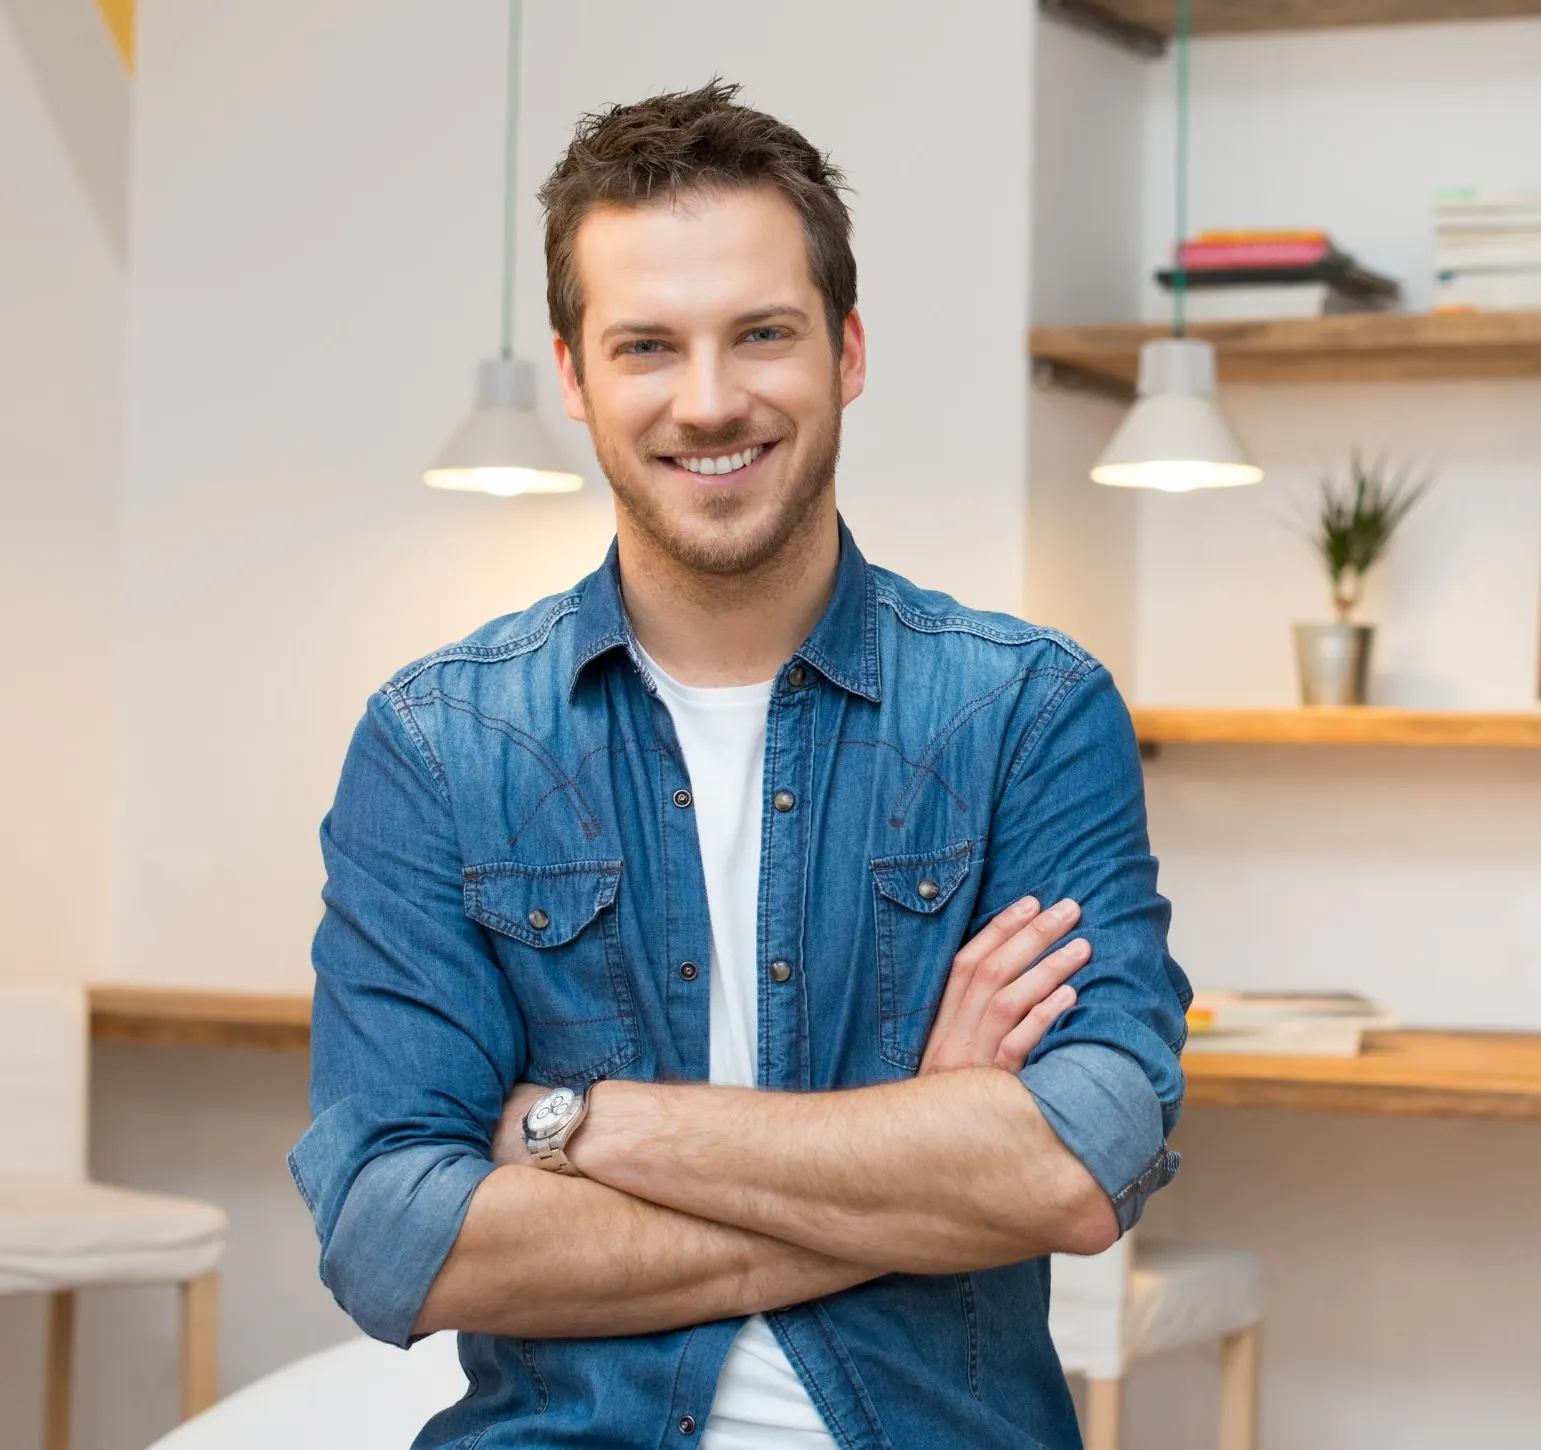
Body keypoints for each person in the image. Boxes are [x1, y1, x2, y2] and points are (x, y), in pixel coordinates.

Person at [291, 80, 1190, 1449]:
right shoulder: (437, 743)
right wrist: (921, 1149)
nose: (708, 402)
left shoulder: (1026, 711)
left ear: (847, 349)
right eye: (647, 345)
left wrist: (575, 1122)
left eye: (760, 333)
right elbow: (393, 1239)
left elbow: (1074, 1162)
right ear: (576, 377)